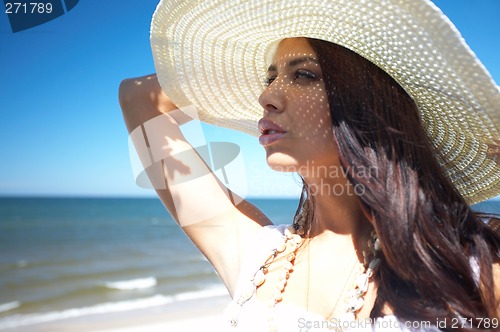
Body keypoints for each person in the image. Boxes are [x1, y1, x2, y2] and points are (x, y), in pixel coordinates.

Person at [119, 0, 500, 330]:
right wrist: (222, 82)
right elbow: (138, 99)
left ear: (367, 104)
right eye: (269, 79)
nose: (265, 96)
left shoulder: (469, 266)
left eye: (303, 74)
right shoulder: (255, 255)